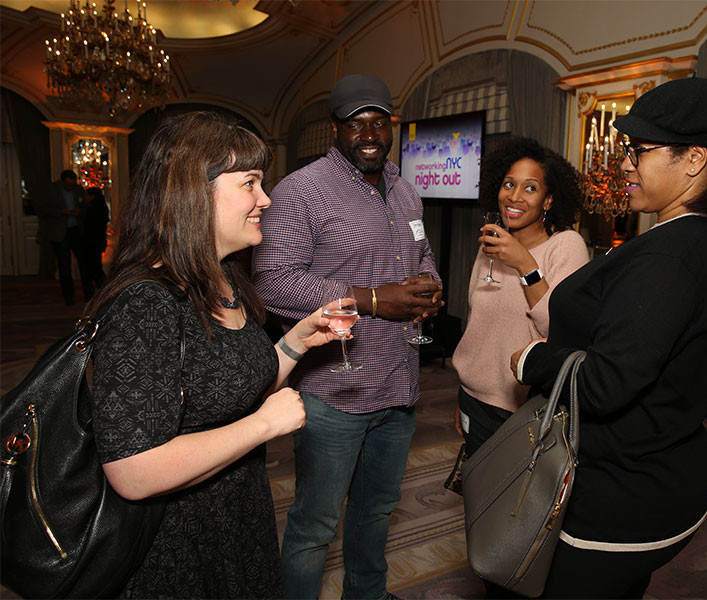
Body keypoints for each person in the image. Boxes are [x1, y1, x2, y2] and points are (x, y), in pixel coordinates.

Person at [511, 77, 707, 599]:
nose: (626, 164)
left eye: (640, 150)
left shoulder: (670, 255)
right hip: (659, 469)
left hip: (622, 495)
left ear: (693, 160)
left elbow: (607, 383)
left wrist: (531, 360)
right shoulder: (698, 238)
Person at [86, 111, 343, 599]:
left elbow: (233, 393)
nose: (265, 199)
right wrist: (264, 426)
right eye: (250, 183)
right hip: (174, 541)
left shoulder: (229, 281)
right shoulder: (145, 302)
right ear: (194, 193)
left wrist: (293, 345)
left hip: (239, 514)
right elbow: (133, 471)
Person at [252, 73, 443, 600]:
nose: (368, 133)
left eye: (378, 122)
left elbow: (421, 256)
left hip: (399, 386)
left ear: (391, 126)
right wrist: (374, 298)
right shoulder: (301, 191)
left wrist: (432, 289)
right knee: (315, 526)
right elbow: (273, 284)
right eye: (355, 123)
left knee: (377, 512)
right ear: (335, 128)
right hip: (334, 392)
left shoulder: (405, 189)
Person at [452, 136, 588, 457]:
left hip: (527, 409)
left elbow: (561, 332)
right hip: (474, 399)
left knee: (516, 504)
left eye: (530, 188)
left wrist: (525, 264)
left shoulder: (566, 246)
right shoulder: (490, 247)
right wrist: (463, 395)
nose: (514, 196)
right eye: (508, 184)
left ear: (548, 200)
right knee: (478, 497)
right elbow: (478, 329)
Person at [33, 169, 90, 303]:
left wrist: (79, 212)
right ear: (62, 182)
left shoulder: (79, 190)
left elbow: (86, 207)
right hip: (60, 232)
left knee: (84, 264)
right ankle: (68, 296)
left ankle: (88, 293)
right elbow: (41, 208)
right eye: (68, 185)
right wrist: (60, 212)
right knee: (64, 266)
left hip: (76, 231)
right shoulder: (51, 190)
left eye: (72, 185)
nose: (71, 187)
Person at [81, 186, 109, 290]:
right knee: (95, 267)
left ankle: (103, 289)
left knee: (93, 269)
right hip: (97, 241)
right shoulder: (102, 208)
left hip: (91, 242)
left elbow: (90, 227)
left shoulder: (92, 209)